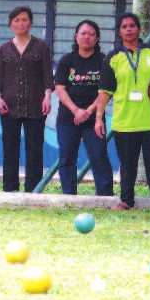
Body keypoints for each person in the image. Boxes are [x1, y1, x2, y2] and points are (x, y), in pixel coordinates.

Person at [95, 12, 150, 210]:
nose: (129, 29)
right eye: (124, 26)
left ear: (139, 29)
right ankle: (126, 200)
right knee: (128, 166)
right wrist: (98, 118)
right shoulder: (113, 58)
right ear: (119, 32)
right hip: (124, 123)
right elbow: (104, 91)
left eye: (132, 26)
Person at [0, 6, 54, 192]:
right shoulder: (4, 48)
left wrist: (47, 97)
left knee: (34, 149)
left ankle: (33, 189)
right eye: (16, 20)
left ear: (31, 23)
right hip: (8, 105)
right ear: (10, 24)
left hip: (36, 105)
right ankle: (10, 188)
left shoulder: (41, 46)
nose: (21, 23)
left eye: (24, 19)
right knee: (10, 149)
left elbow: (47, 75)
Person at [55, 20, 113, 196]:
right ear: (76, 36)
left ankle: (105, 197)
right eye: (83, 33)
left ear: (97, 38)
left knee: (99, 158)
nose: (87, 37)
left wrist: (88, 111)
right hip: (68, 118)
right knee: (66, 159)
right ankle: (68, 196)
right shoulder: (67, 60)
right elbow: (60, 88)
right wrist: (76, 111)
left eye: (91, 34)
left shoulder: (104, 61)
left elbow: (106, 91)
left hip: (94, 119)